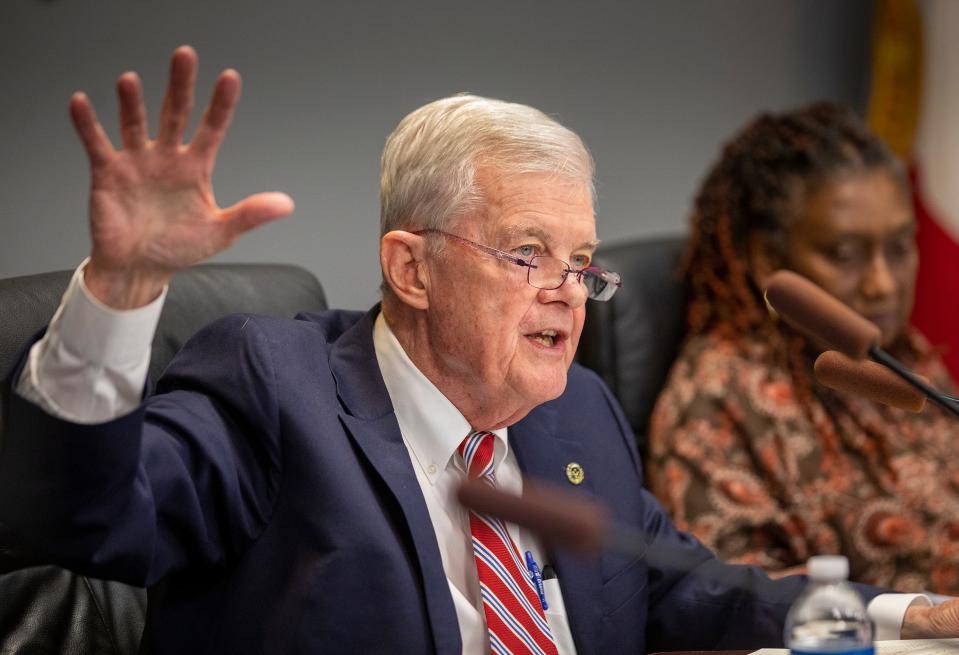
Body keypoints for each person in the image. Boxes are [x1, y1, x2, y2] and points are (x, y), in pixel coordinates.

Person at [0, 48, 956, 655]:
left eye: (581, 262)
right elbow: (85, 520)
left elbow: (688, 584)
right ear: (409, 269)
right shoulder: (273, 386)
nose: (566, 290)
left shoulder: (576, 410)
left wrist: (903, 617)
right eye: (526, 254)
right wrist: (123, 291)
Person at [648, 103, 959, 594]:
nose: (882, 284)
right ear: (768, 258)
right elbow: (737, 607)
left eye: (899, 247)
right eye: (845, 254)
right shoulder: (716, 400)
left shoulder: (901, 355)